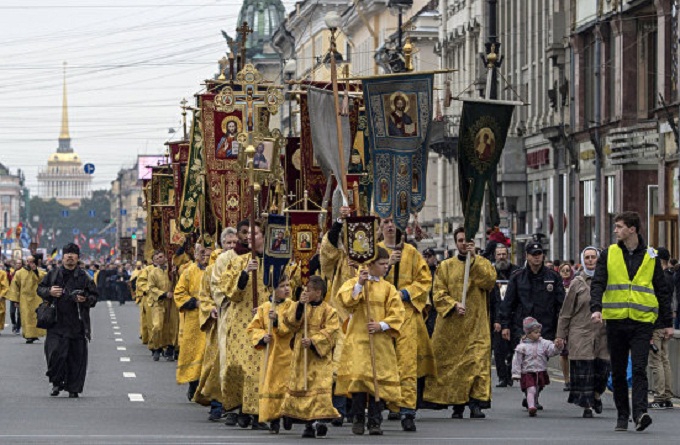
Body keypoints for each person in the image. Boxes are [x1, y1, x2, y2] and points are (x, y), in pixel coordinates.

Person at [590, 211, 673, 432]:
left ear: (632, 229)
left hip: (642, 322)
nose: (615, 230)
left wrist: (666, 323)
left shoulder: (651, 256)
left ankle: (640, 413)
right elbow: (598, 282)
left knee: (638, 369)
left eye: (618, 227)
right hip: (616, 321)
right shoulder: (609, 254)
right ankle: (622, 414)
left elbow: (661, 289)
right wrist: (596, 308)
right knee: (617, 371)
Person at [423, 227, 497, 419]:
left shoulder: (483, 263)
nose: (464, 243)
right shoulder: (445, 266)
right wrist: (453, 304)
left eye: (467, 240)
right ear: (456, 243)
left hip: (476, 324)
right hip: (452, 327)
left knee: (476, 363)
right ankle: (457, 404)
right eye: (461, 240)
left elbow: (488, 282)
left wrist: (474, 261)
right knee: (454, 367)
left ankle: (476, 403)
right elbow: (437, 292)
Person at [336, 247, 405, 436]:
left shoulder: (388, 288)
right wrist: (359, 283)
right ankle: (358, 419)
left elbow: (398, 312)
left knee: (378, 383)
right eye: (382, 264)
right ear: (371, 265)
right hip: (358, 340)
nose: (386, 267)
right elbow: (345, 301)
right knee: (359, 381)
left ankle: (375, 421)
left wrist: (382, 325)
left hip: (380, 342)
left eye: (386, 264)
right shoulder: (354, 283)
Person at [378, 217, 433, 431]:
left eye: (394, 222)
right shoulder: (376, 252)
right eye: (386, 221)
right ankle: (389, 403)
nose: (390, 226)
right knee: (384, 362)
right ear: (381, 227)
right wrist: (388, 266)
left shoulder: (411, 252)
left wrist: (407, 293)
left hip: (406, 313)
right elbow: (367, 278)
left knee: (407, 362)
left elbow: (424, 280)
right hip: (382, 313)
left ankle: (407, 410)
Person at [219, 221, 270, 430]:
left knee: (260, 367)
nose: (250, 236)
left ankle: (258, 412)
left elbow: (286, 287)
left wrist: (266, 310)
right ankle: (240, 407)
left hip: (266, 320)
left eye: (255, 233)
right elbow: (230, 292)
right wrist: (244, 275)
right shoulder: (238, 262)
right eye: (247, 233)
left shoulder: (274, 262)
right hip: (241, 320)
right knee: (240, 366)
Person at [280, 276, 341, 437]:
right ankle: (307, 423)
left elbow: (332, 331)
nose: (305, 292)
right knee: (303, 387)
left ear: (318, 292)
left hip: (319, 357)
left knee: (320, 388)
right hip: (302, 356)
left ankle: (319, 421)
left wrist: (314, 341)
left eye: (308, 290)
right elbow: (290, 321)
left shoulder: (330, 311)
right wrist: (300, 304)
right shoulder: (302, 305)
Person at [36, 243, 98, 398]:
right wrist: (50, 291)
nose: (70, 256)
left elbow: (94, 297)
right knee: (55, 354)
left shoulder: (85, 277)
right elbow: (40, 289)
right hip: (56, 322)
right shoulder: (53, 274)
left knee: (76, 357)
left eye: (73, 254)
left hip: (77, 323)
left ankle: (74, 387)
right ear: (62, 257)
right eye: (67, 254)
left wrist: (84, 299)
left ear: (78, 257)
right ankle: (56, 383)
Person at [555, 246, 609, 418]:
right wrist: (560, 336)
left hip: (602, 333)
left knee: (602, 370)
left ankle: (597, 395)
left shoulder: (608, 281)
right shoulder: (577, 283)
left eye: (594, 257)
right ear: (583, 260)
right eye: (587, 258)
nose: (591, 260)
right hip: (581, 333)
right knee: (584, 371)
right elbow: (566, 312)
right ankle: (588, 406)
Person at [247, 274, 295, 434]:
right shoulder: (264, 308)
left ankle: (288, 413)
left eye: (288, 285)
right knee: (273, 385)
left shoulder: (293, 306)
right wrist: (262, 337)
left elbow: (292, 327)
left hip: (289, 353)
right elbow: (253, 328)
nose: (287, 288)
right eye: (282, 286)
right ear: (272, 289)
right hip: (272, 354)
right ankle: (274, 419)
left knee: (288, 384)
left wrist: (276, 322)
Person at [174, 244, 211, 401]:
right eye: (200, 252)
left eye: (206, 252)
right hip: (195, 319)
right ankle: (194, 383)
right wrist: (194, 303)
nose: (204, 256)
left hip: (212, 318)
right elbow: (179, 292)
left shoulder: (216, 270)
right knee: (196, 352)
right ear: (195, 255)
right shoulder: (189, 271)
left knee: (209, 354)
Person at [511, 317, 563, 416]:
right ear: (528, 333)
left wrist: (558, 346)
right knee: (531, 389)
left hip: (540, 371)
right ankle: (531, 407)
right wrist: (516, 374)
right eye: (535, 332)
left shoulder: (543, 343)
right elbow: (516, 361)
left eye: (539, 332)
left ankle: (531, 401)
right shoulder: (522, 347)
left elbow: (551, 351)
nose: (538, 334)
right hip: (527, 372)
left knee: (537, 389)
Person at [646, 246, 675, 410]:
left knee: (655, 360)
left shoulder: (659, 279)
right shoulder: (670, 277)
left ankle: (660, 394)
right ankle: (667, 394)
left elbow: (659, 302)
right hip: (665, 322)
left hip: (657, 323)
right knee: (665, 359)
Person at [490, 244, 519, 388]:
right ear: (495, 256)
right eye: (499, 254)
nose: (501, 257)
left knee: (514, 348)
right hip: (497, 316)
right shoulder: (491, 273)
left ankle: (510, 373)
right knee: (499, 349)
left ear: (508, 255)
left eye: (504, 254)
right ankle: (502, 377)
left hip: (514, 317)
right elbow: (492, 299)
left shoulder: (516, 272)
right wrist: (496, 319)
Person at [147, 251, 179, 362]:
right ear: (154, 261)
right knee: (157, 326)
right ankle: (157, 347)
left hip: (172, 303)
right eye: (157, 258)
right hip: (159, 303)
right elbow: (151, 288)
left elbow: (179, 283)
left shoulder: (171, 271)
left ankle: (170, 348)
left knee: (172, 326)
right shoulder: (153, 273)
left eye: (161, 256)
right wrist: (164, 294)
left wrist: (176, 275)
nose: (160, 259)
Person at [7, 256, 46, 343]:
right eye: (28, 261)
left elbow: (43, 280)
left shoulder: (39, 272)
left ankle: (34, 334)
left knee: (35, 317)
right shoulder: (19, 273)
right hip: (24, 298)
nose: (30, 263)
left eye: (32, 261)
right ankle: (28, 335)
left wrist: (35, 270)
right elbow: (15, 287)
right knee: (25, 317)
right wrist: (15, 300)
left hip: (36, 298)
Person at [8, 259, 22, 335]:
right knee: (12, 312)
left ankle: (18, 327)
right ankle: (14, 323)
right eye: (17, 263)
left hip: (21, 295)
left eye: (19, 263)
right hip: (13, 294)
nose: (18, 264)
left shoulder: (24, 272)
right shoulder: (12, 273)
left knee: (20, 313)